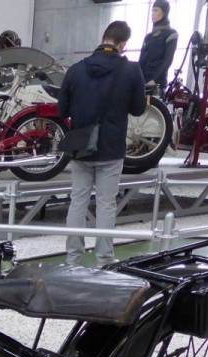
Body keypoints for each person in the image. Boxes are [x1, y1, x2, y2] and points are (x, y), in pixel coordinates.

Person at [57, 20, 147, 268]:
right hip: (112, 147)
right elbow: (138, 109)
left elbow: (62, 110)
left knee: (78, 202)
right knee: (106, 204)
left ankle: (73, 260)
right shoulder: (131, 70)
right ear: (123, 44)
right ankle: (104, 260)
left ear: (103, 38)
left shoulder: (76, 69)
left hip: (82, 147)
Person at [139, 0, 179, 91]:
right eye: (152, 10)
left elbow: (167, 60)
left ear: (164, 13)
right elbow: (141, 60)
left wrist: (155, 79)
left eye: (156, 10)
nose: (152, 13)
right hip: (142, 82)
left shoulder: (171, 34)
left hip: (157, 84)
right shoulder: (148, 37)